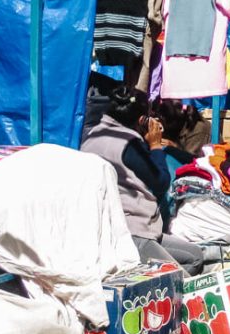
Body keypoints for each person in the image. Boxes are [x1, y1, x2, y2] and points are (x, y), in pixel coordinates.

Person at [80, 87, 205, 275]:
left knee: (195, 256)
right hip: (133, 231)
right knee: (181, 279)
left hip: (110, 226)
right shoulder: (128, 143)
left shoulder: (92, 133)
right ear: (142, 120)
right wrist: (155, 145)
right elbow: (161, 182)